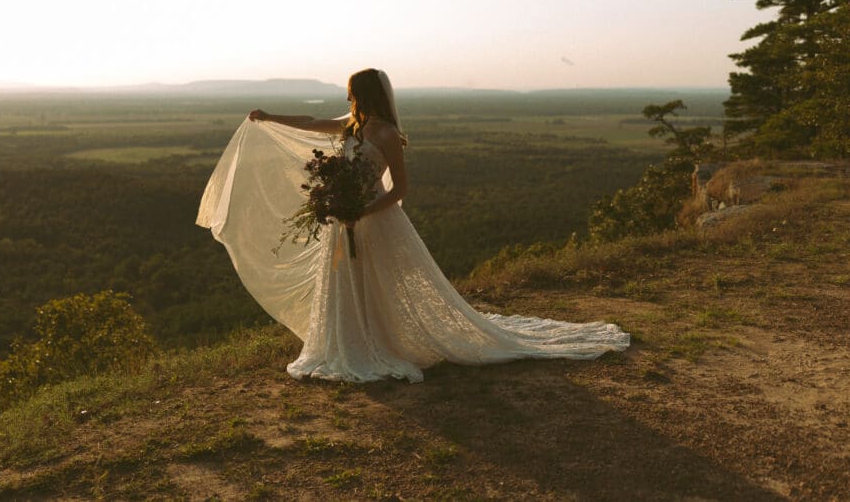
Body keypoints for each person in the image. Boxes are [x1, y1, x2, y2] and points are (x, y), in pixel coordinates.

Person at [197, 68, 629, 383]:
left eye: (352, 94)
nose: (349, 100)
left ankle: (385, 344)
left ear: (364, 95)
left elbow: (400, 189)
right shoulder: (352, 125)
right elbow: (312, 125)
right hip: (344, 223)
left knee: (383, 284)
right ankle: (351, 343)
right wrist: (270, 117)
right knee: (350, 284)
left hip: (375, 221)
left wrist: (362, 211)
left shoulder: (384, 134)